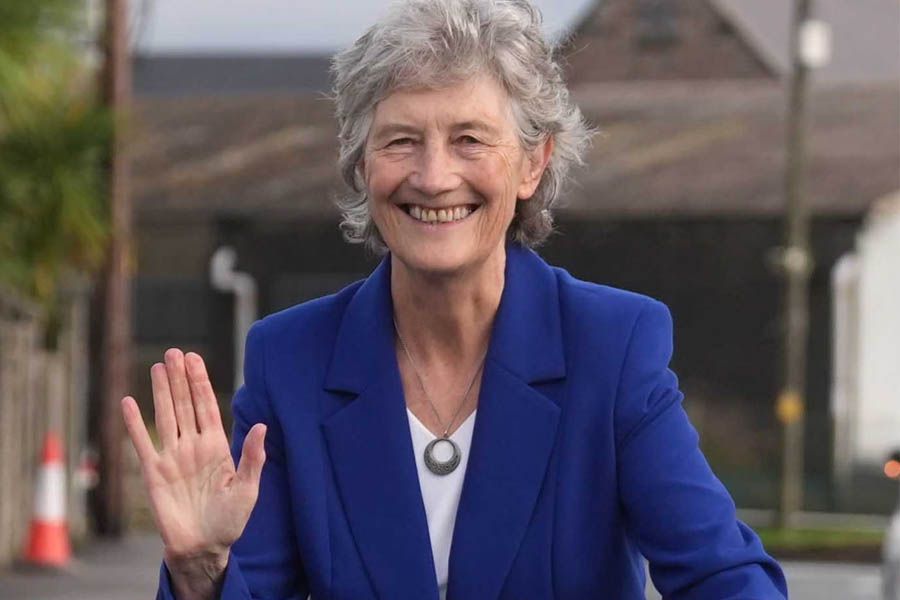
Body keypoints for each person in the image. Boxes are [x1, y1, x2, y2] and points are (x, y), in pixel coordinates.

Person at [121, 0, 789, 598]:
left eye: (469, 138)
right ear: (363, 165)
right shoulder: (290, 360)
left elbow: (724, 577)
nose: (434, 177)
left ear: (534, 163)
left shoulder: (611, 347)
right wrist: (202, 570)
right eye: (401, 140)